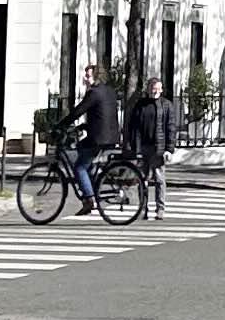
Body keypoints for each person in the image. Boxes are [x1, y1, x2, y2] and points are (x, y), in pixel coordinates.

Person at [68, 69, 121, 217]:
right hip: (110, 136)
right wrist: (84, 126)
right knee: (81, 148)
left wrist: (61, 125)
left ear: (96, 77)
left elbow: (79, 111)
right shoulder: (108, 91)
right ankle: (90, 186)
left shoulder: (94, 93)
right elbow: (101, 115)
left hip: (99, 138)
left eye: (88, 75)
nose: (85, 78)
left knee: (79, 167)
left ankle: (90, 199)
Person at [130, 77, 167, 219]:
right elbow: (134, 127)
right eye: (153, 88)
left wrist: (169, 149)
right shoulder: (141, 105)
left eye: (158, 89)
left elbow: (170, 127)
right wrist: (135, 147)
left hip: (158, 148)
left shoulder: (166, 105)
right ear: (148, 89)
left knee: (159, 179)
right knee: (142, 179)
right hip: (143, 147)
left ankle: (160, 209)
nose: (155, 91)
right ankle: (143, 208)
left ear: (161, 90)